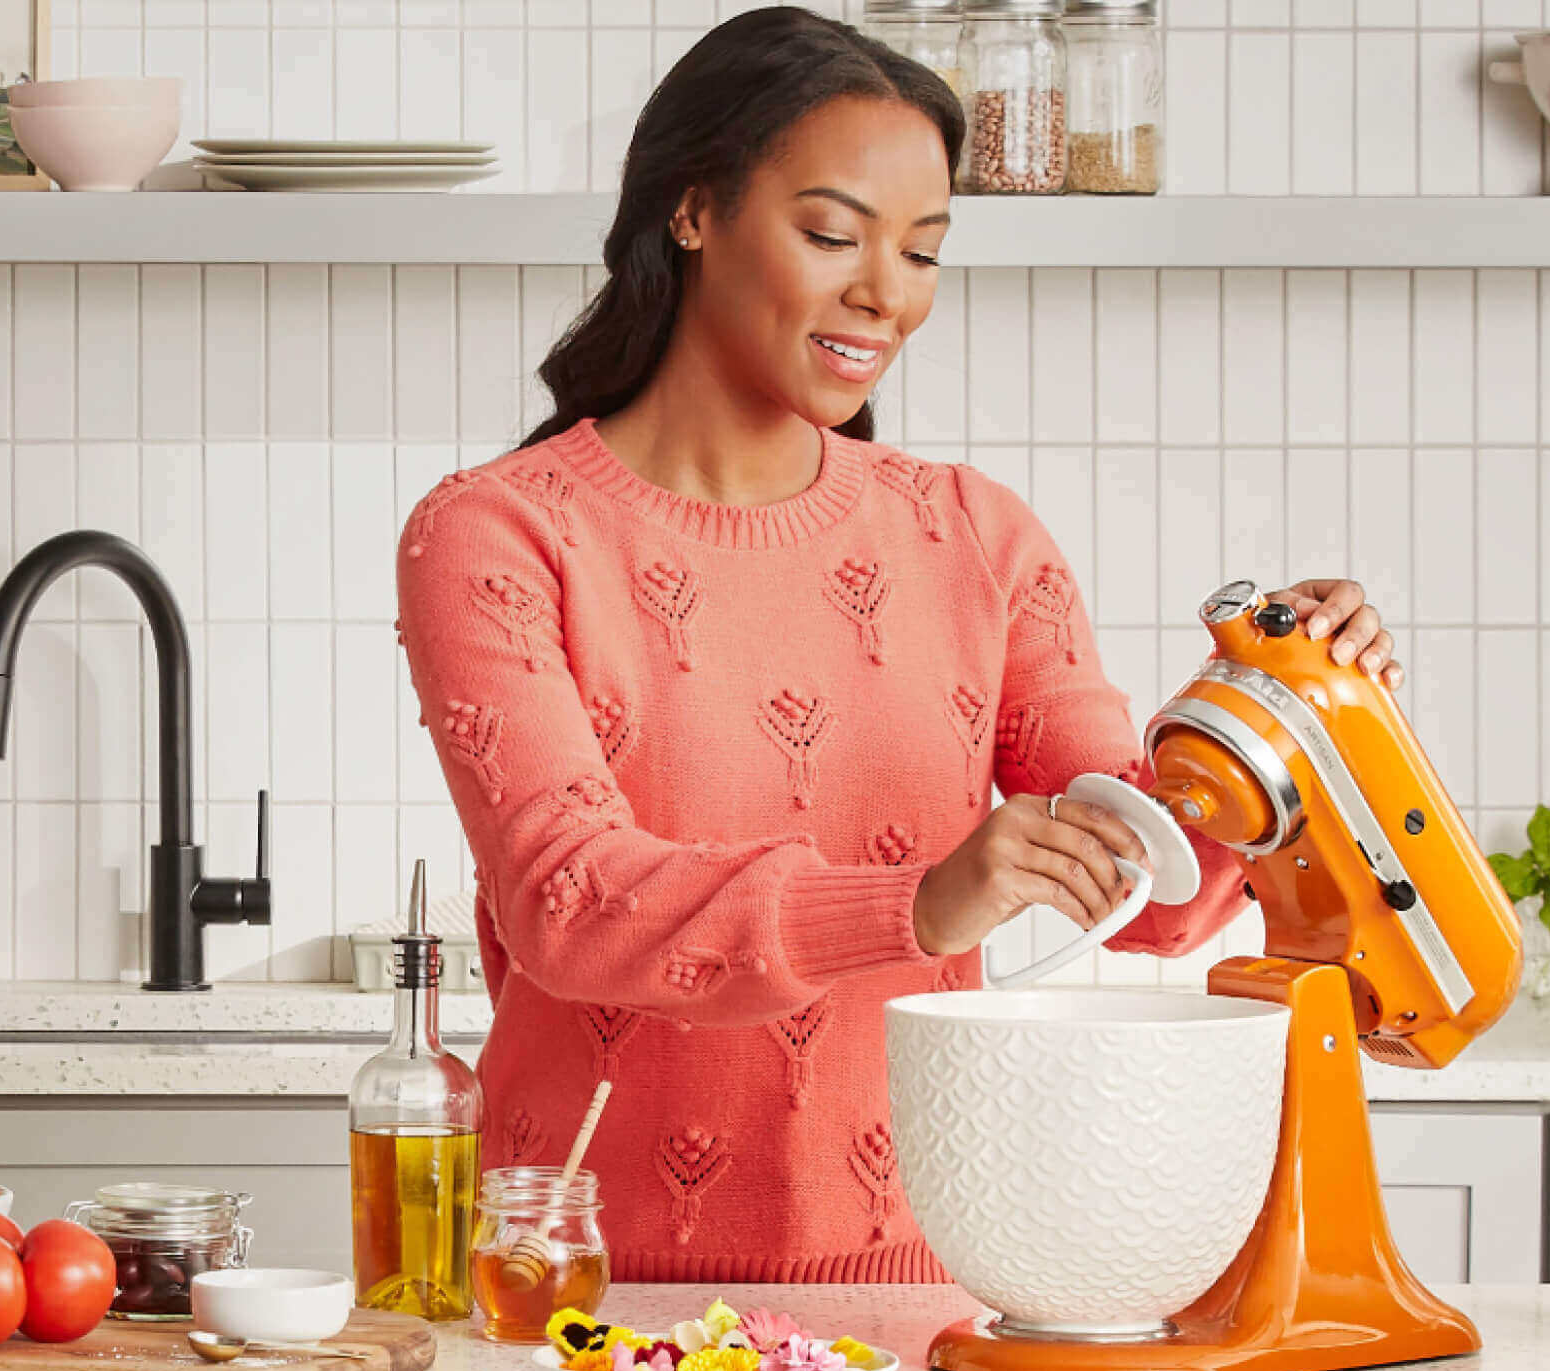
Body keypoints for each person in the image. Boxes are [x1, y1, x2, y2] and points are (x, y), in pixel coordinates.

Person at [393, 5, 1400, 1283]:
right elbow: (569, 900)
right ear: (691, 210)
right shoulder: (497, 534)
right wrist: (920, 900)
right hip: (588, 1298)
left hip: (923, 1296)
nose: (886, 294)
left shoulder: (975, 536)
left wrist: (1284, 709)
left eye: (923, 253)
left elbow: (1152, 894)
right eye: (831, 234)